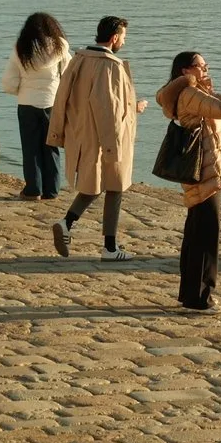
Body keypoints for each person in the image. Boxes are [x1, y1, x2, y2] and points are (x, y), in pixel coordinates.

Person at [157, 48, 221, 313]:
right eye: (201, 66)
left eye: (205, 65)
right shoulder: (190, 94)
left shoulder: (197, 92)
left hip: (205, 174)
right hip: (205, 175)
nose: (206, 69)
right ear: (185, 70)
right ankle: (200, 297)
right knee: (205, 238)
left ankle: (191, 294)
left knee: (196, 235)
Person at [45, 16, 146, 260]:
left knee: (96, 185)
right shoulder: (109, 66)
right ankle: (109, 248)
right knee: (115, 186)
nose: (124, 41)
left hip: (81, 134)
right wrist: (133, 110)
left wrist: (58, 132)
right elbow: (107, 107)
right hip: (107, 136)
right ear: (114, 38)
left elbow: (62, 98)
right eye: (123, 37)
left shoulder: (78, 60)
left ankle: (68, 223)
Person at [0, 13, 71, 201]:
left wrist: (21, 91)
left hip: (26, 103)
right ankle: (52, 190)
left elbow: (9, 81)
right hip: (52, 103)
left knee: (30, 149)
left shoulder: (21, 47)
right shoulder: (60, 46)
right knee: (51, 147)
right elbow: (69, 74)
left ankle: (33, 190)